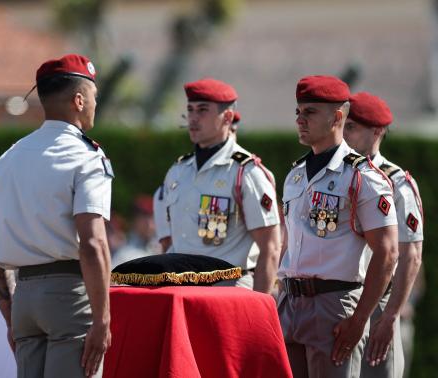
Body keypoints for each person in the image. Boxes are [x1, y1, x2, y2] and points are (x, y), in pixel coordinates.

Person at [0, 54, 112, 378]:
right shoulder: (86, 157)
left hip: (24, 294)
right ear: (79, 100)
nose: (95, 104)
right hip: (69, 294)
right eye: (94, 97)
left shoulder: (8, 159)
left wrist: (11, 311)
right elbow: (93, 243)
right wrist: (102, 318)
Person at [278, 75, 399, 378]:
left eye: (310, 112)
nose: (300, 120)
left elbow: (387, 253)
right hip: (290, 303)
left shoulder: (362, 177)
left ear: (338, 117)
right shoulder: (295, 175)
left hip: (333, 303)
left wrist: (360, 319)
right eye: (298, 112)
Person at [155, 78, 281, 293]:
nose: (193, 118)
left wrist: (260, 310)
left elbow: (270, 248)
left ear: (228, 117)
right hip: (180, 286)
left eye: (203, 110)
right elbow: (169, 243)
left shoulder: (246, 172)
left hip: (227, 288)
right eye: (190, 110)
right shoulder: (178, 171)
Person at [343, 92, 424, 378]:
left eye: (351, 127)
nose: (343, 133)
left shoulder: (397, 183)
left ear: (377, 131)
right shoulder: (332, 174)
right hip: (336, 302)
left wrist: (391, 315)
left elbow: (411, 255)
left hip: (376, 304)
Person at [111, 195, 160, 267]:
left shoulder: (163, 248)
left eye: (152, 218)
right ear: (134, 221)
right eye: (144, 219)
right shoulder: (124, 255)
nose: (149, 225)